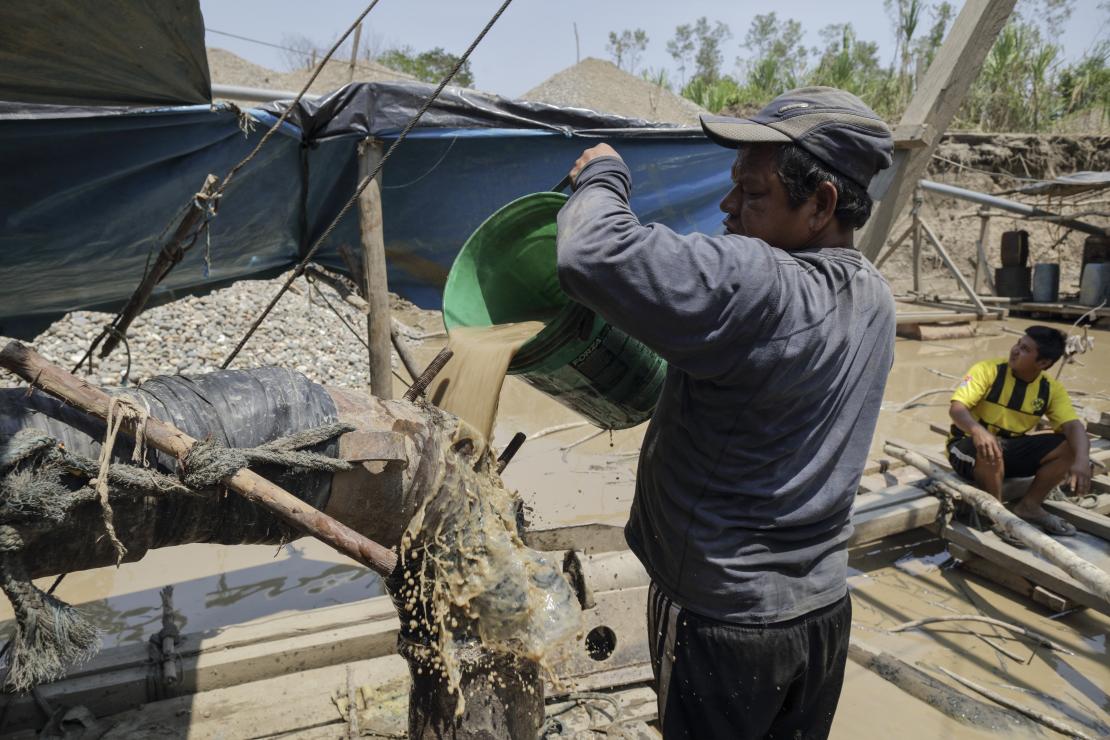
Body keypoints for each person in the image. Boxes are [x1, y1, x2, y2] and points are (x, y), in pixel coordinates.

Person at [555, 87, 896, 738]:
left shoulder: (760, 283)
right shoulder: (873, 293)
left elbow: (589, 253)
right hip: (822, 611)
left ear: (820, 204)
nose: (727, 204)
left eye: (753, 193)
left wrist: (604, 174)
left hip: (726, 623)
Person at [947, 326, 1091, 537]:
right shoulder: (989, 370)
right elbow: (957, 408)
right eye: (1018, 344)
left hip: (1007, 450)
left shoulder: (1050, 388)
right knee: (990, 447)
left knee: (1071, 446)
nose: (1015, 350)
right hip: (966, 448)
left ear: (1043, 363)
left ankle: (1029, 507)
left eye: (1025, 349)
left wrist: (1082, 460)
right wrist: (978, 431)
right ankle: (997, 516)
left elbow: (1073, 426)